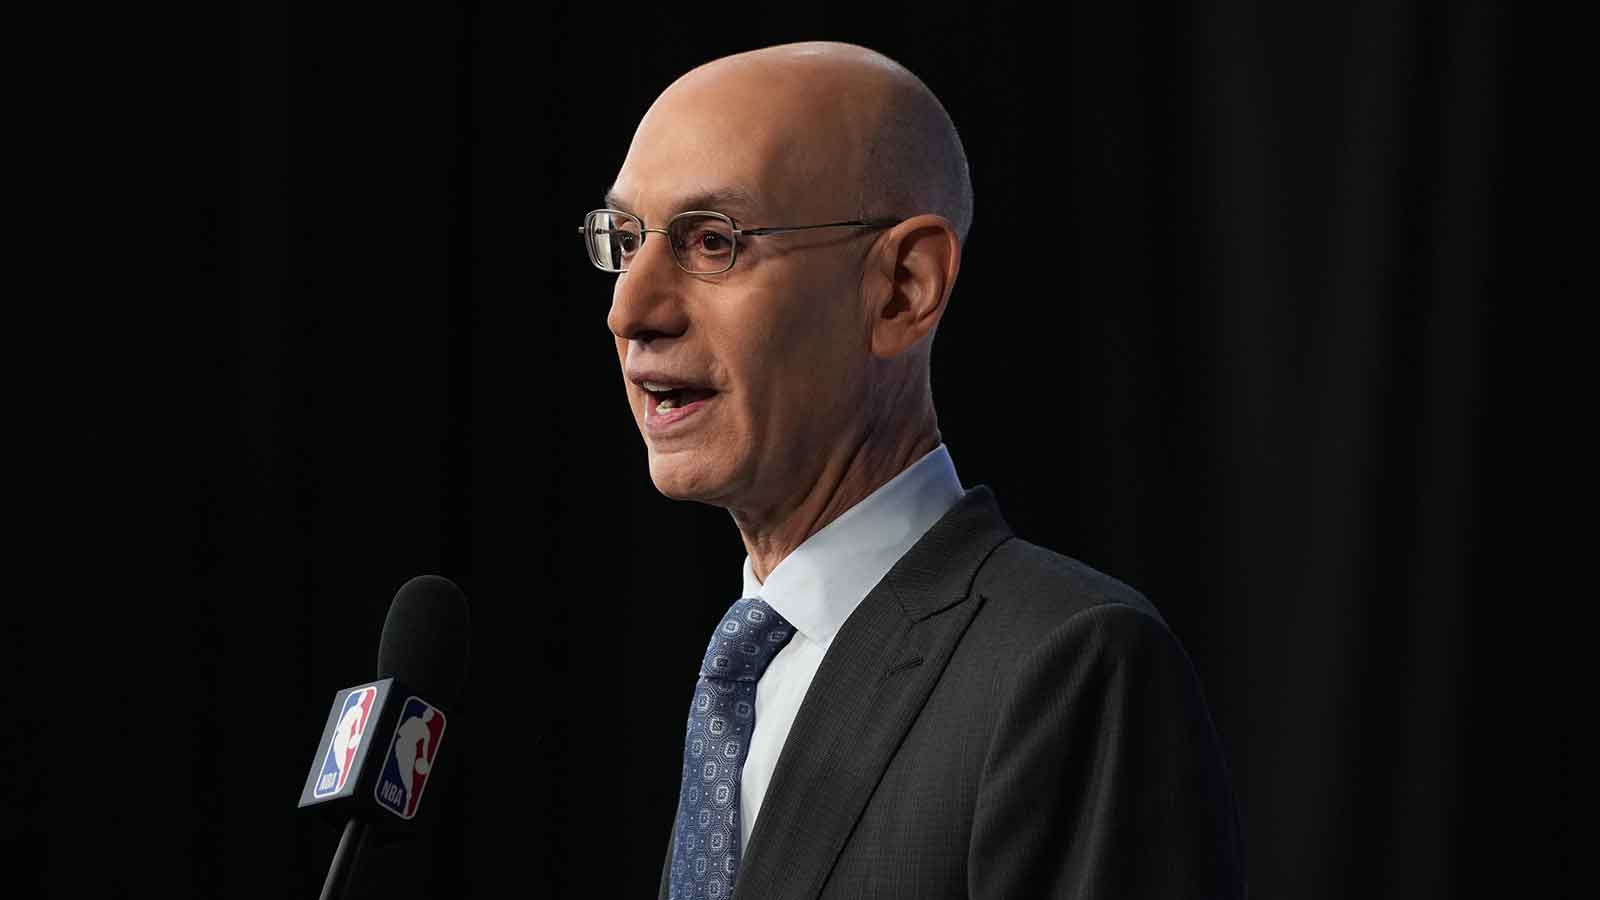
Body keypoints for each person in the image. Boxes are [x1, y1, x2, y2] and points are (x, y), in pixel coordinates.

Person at [584, 41, 1245, 900]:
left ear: (903, 287)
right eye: (624, 242)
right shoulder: (739, 680)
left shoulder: (1069, 670)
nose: (629, 311)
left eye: (712, 242)